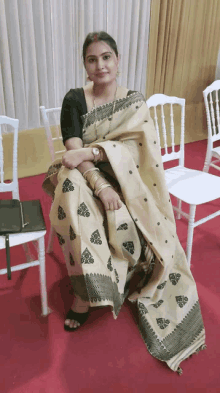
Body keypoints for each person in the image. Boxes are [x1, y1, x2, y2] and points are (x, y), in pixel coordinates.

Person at [43, 31, 206, 374]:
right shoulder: (74, 99)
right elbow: (73, 153)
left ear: (117, 61)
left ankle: (116, 274)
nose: (100, 65)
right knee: (70, 188)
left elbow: (136, 151)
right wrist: (99, 182)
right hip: (87, 175)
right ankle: (84, 292)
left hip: (127, 177)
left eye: (106, 57)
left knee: (109, 203)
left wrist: (97, 152)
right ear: (85, 65)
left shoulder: (133, 101)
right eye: (92, 59)